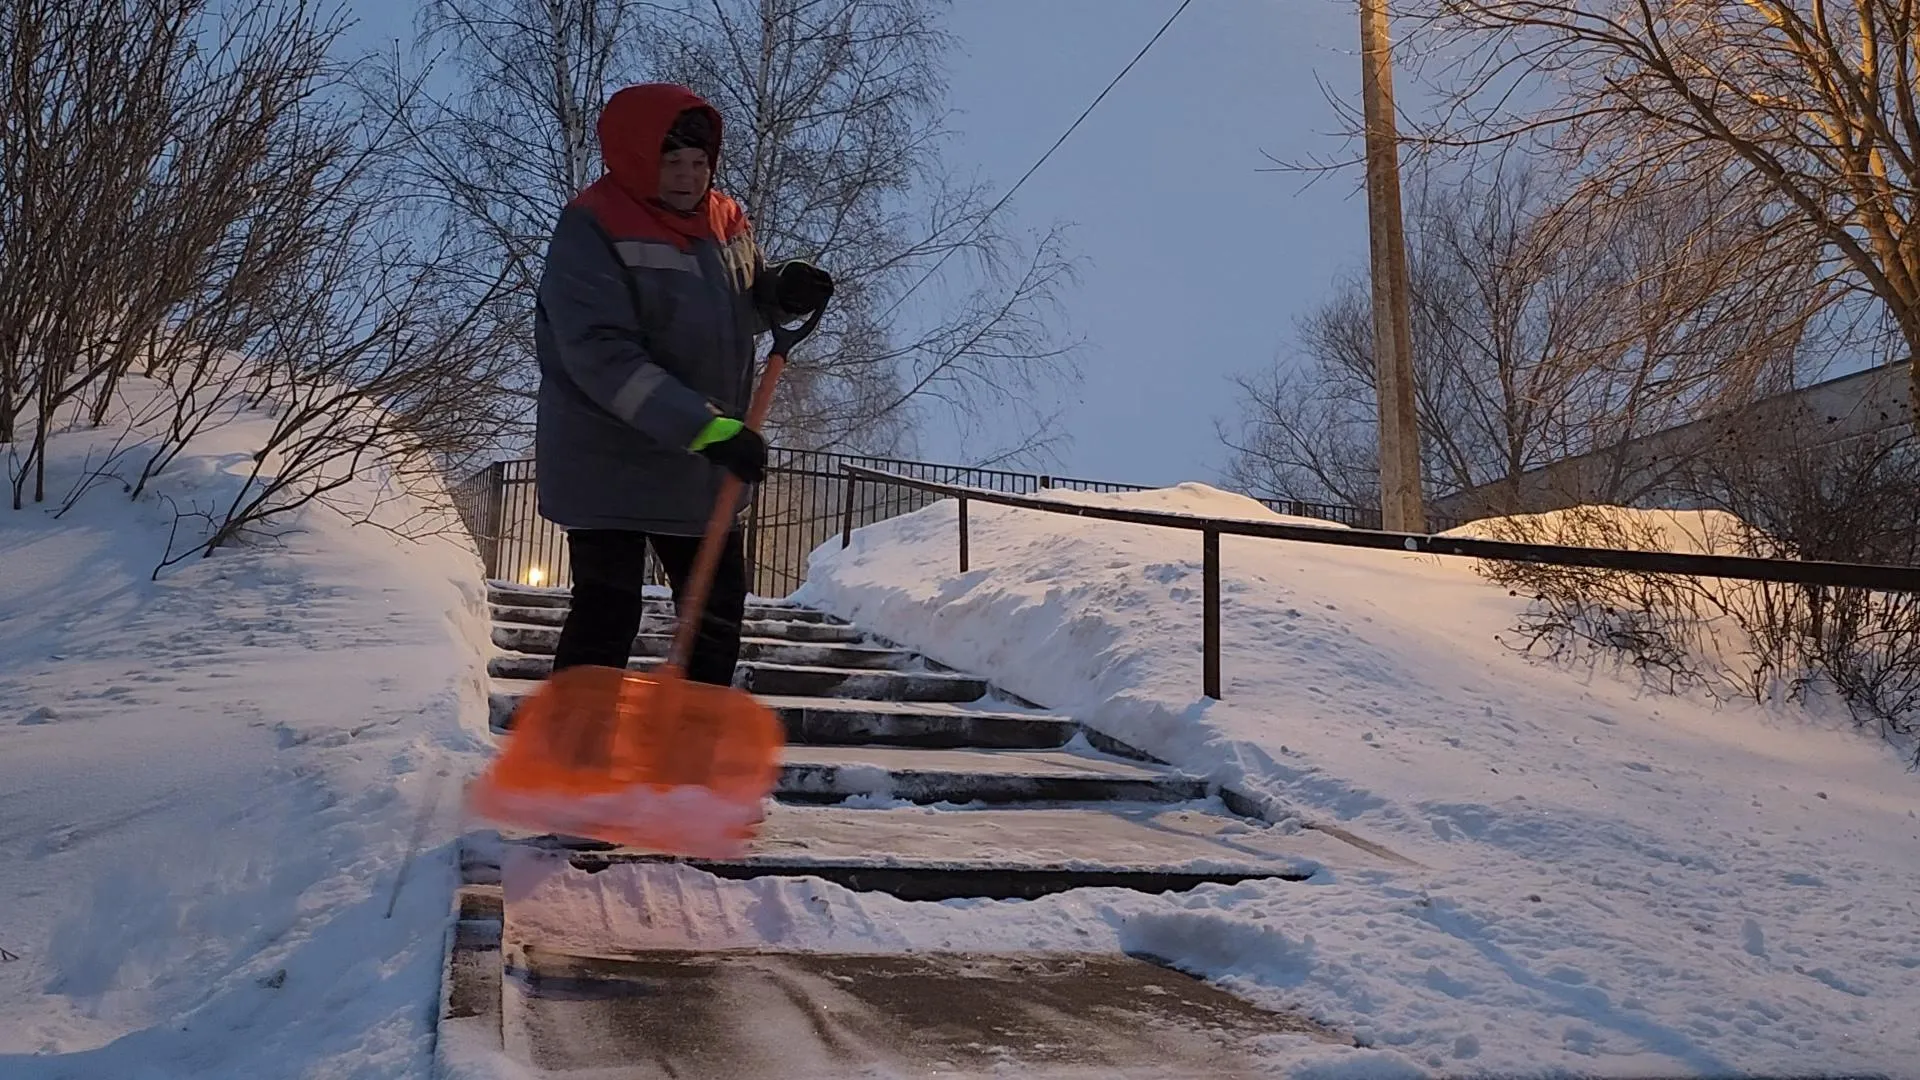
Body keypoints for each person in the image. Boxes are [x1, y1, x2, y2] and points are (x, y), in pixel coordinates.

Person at [532, 83, 833, 687]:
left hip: (696, 464)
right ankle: (571, 757)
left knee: (716, 616)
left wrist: (778, 294)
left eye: (699, 163)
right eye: (672, 162)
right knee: (607, 610)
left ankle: (687, 754)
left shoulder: (725, 219)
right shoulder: (592, 225)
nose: (688, 177)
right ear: (640, 158)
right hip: (610, 455)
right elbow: (601, 354)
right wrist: (708, 428)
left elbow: (733, 310)